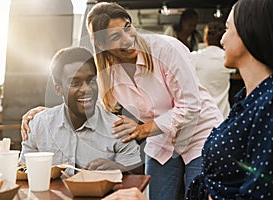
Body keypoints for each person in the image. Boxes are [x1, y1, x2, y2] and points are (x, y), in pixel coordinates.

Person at [21, 3, 223, 199]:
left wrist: (143, 129)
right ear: (101, 44)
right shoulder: (108, 72)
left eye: (128, 28)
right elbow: (93, 105)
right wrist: (44, 113)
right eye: (116, 36)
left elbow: (190, 106)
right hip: (162, 141)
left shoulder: (167, 49)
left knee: (197, 193)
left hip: (199, 131)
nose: (128, 39)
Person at [187, 0, 273, 199]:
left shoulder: (268, 104)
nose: (223, 39)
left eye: (227, 28)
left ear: (249, 31)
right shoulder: (246, 99)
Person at [19, 47, 141, 176]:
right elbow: (23, 171)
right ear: (59, 89)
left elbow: (135, 176)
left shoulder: (118, 129)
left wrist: (118, 168)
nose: (86, 89)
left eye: (91, 80)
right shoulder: (38, 124)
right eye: (75, 83)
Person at [191, 21, 235, 118]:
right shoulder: (228, 58)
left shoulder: (194, 58)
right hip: (223, 114)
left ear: (205, 37)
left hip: (202, 116)